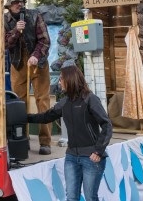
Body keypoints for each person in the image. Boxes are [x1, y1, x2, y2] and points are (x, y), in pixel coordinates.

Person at [27, 64, 112, 201]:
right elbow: (46, 117)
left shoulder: (90, 99)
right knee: (71, 198)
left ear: (70, 79)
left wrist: (98, 151)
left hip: (91, 157)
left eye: (61, 79)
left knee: (90, 197)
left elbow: (107, 125)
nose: (59, 82)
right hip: (71, 157)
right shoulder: (64, 102)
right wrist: (24, 117)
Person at [4, 0, 51, 155]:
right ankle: (22, 140)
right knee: (20, 104)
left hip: (38, 62)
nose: (19, 4)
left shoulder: (34, 15)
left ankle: (45, 142)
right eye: (15, 2)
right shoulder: (5, 20)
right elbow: (4, 44)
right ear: (9, 5)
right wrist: (16, 30)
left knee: (42, 101)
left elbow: (45, 40)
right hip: (18, 64)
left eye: (21, 1)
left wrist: (36, 56)